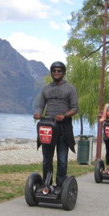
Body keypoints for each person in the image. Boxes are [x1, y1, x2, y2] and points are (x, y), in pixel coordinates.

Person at [33, 61, 78, 189]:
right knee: (47, 159)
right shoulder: (46, 89)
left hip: (64, 127)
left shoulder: (70, 88)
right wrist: (38, 113)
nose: (56, 73)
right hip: (48, 126)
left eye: (59, 71)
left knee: (62, 160)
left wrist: (64, 115)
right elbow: (41, 105)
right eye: (54, 71)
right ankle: (46, 183)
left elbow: (75, 108)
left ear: (63, 73)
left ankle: (60, 185)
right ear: (51, 72)